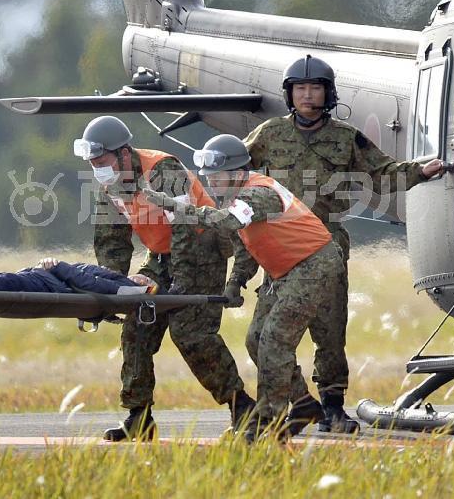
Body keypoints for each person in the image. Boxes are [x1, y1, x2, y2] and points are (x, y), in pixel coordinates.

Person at [242, 55, 444, 433]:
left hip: (326, 242)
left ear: (327, 93)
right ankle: (301, 401)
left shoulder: (346, 137)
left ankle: (333, 408)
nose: (306, 95)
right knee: (261, 335)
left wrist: (421, 170)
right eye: (299, 88)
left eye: (314, 88)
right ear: (289, 94)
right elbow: (234, 164)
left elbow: (383, 171)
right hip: (280, 244)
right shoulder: (269, 134)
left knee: (329, 330)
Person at [140, 134, 344, 442]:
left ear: (236, 172)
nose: (210, 181)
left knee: (274, 341)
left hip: (313, 265)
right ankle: (301, 403)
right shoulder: (236, 198)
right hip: (285, 271)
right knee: (255, 339)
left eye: (216, 175)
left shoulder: (258, 193)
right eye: (208, 175)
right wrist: (235, 282)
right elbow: (246, 246)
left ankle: (266, 422)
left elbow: (225, 223)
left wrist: (172, 205)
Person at [75, 116, 254, 440]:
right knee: (136, 327)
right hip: (159, 257)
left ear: (124, 153)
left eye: (103, 162)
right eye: (94, 164)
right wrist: (113, 289)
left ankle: (243, 408)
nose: (100, 170)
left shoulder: (162, 171)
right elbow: (111, 240)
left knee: (191, 334)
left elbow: (185, 226)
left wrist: (181, 285)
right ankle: (138, 416)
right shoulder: (110, 186)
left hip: (200, 250)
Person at [0, 257, 159, 295]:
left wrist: (58, 266)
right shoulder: (121, 281)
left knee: (0, 282)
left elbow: (89, 283)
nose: (143, 277)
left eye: (147, 281)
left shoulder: (125, 287)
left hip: (49, 283)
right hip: (45, 277)